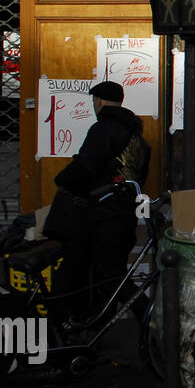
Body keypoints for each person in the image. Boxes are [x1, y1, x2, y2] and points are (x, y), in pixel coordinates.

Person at [46, 80, 151, 323]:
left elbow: (85, 165)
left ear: (99, 101)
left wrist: (62, 180)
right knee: (108, 276)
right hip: (124, 214)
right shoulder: (137, 137)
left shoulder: (104, 128)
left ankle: (149, 313)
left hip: (103, 216)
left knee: (107, 276)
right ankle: (97, 327)